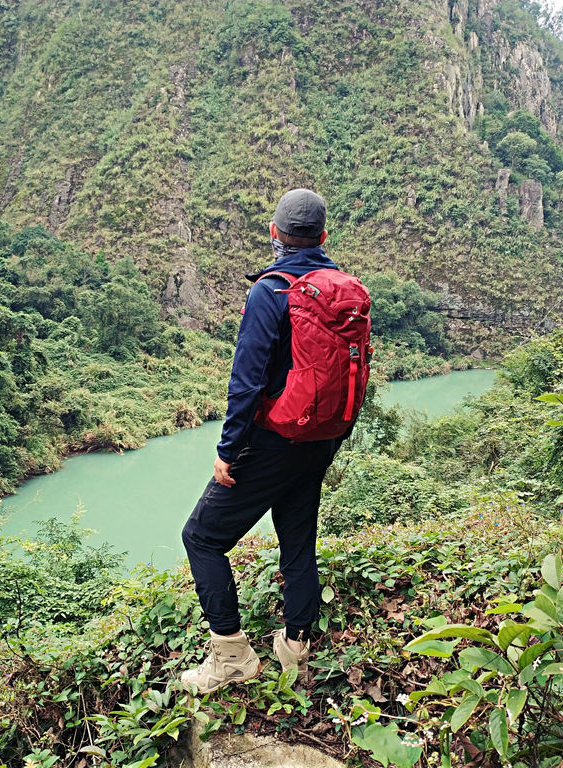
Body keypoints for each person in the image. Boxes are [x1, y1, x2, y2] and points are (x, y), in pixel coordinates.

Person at [180, 188, 349, 694]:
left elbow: (247, 382)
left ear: (274, 235)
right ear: (323, 236)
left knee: (202, 538)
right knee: (297, 532)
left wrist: (229, 451)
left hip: (274, 438)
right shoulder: (342, 285)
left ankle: (231, 656)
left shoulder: (269, 291)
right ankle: (295, 643)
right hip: (323, 436)